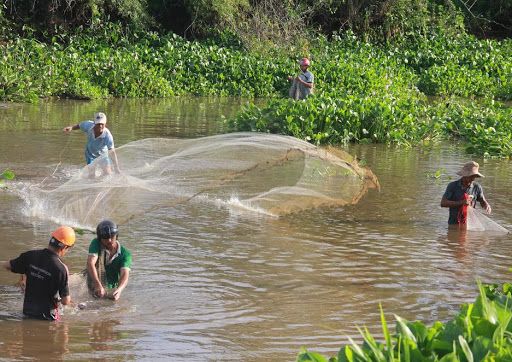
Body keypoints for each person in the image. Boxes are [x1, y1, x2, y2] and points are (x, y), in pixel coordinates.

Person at [2, 226, 75, 320]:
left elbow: (7, 265)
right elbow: (65, 301)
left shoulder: (30, 255)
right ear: (65, 247)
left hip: (27, 313)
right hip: (48, 319)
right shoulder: (61, 269)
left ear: (51, 240)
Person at [63, 112, 120, 176]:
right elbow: (79, 125)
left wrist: (116, 168)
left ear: (105, 124)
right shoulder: (88, 125)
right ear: (94, 123)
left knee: (107, 173)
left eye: (102, 124)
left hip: (103, 155)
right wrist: (71, 128)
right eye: (98, 124)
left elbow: (112, 152)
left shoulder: (108, 136)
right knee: (91, 175)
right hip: (90, 154)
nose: (100, 126)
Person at [86, 220, 131, 301]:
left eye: (112, 237)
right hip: (95, 282)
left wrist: (119, 290)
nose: (109, 240)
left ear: (116, 236)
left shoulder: (125, 254)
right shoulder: (96, 243)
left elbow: (124, 274)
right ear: (100, 238)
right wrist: (97, 285)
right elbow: (90, 263)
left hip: (111, 287)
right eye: (106, 238)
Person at [440, 161, 492, 226]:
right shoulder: (452, 186)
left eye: (475, 176)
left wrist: (486, 205)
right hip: (453, 223)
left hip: (470, 223)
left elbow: (482, 201)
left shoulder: (477, 187)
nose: (473, 179)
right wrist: (461, 202)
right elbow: (443, 203)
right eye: (471, 176)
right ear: (464, 175)